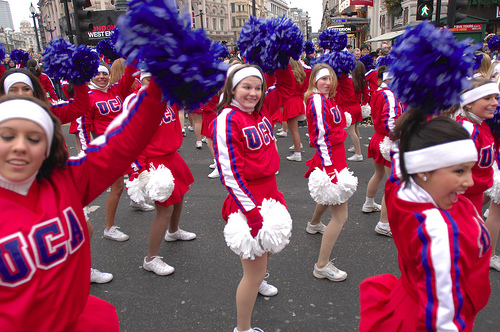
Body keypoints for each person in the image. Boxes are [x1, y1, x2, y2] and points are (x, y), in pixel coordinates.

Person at [0, 77, 167, 329]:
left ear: (47, 147)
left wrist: (162, 81)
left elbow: (125, 141)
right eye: (6, 136)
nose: (20, 147)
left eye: (34, 138)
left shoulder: (65, 179)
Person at [360, 111, 491, 331]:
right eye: (459, 171)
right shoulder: (438, 231)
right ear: (423, 170)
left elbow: (400, 155)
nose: (469, 181)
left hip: (409, 304)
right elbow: (442, 318)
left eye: (470, 169)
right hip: (425, 318)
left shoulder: (401, 190)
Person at [212, 63, 295, 332]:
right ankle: (242, 328)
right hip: (249, 198)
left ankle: (259, 282)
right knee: (253, 272)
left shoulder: (261, 112)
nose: (253, 93)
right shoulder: (227, 118)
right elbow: (230, 173)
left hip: (270, 192)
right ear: (232, 88)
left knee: (264, 255)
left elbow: (287, 87)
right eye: (246, 87)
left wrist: (280, 60)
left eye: (258, 87)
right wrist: (252, 213)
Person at [125, 72, 196, 276]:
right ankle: (150, 258)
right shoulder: (138, 104)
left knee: (181, 194)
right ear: (141, 80)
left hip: (172, 156)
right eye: (150, 79)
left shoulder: (169, 98)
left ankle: (173, 232)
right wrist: (141, 170)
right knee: (164, 210)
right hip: (154, 161)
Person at [304, 63, 357, 282]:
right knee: (341, 216)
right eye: (322, 79)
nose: (327, 83)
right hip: (331, 159)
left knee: (330, 198)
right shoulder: (317, 100)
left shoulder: (327, 99)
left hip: (336, 156)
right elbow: (320, 138)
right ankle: (322, 265)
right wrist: (331, 172)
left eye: (330, 78)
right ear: (314, 80)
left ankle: (314, 224)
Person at [80, 62, 137, 242]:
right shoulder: (88, 97)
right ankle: (109, 228)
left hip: (124, 144)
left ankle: (137, 200)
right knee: (118, 186)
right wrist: (87, 152)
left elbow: (129, 75)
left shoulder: (116, 90)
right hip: (108, 148)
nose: (102, 77)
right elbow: (84, 128)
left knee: (135, 174)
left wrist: (133, 52)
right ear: (91, 76)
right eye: (97, 74)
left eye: (104, 73)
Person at [363, 68, 403, 236]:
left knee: (379, 174)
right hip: (387, 141)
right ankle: (384, 223)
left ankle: (369, 203)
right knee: (392, 183)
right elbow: (391, 121)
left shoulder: (380, 92)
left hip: (378, 138)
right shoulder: (390, 94)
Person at [456, 78, 499, 213]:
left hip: (475, 196)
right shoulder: (467, 130)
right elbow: (454, 171)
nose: (495, 103)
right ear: (468, 103)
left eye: (495, 98)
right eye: (487, 98)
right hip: (460, 199)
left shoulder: (483, 126)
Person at [284, 59, 310, 162]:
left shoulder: (290, 76)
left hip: (291, 102)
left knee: (294, 130)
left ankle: (298, 153)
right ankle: (297, 146)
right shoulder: (301, 75)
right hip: (298, 101)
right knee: (293, 129)